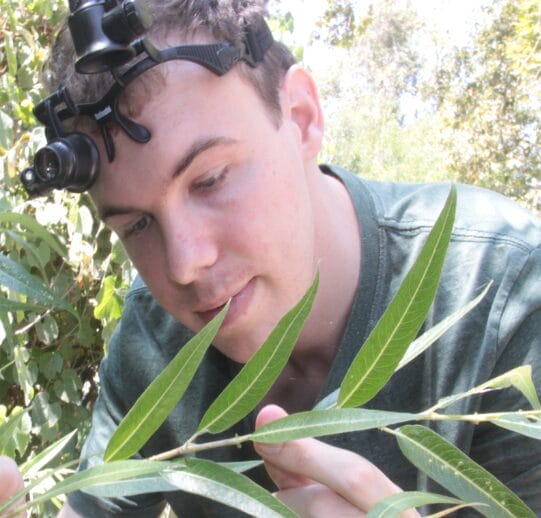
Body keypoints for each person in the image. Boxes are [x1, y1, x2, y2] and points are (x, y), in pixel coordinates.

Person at [2, 0, 541, 516]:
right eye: (136, 225)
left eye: (210, 180)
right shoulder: (151, 345)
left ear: (302, 117)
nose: (184, 265)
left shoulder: (508, 299)